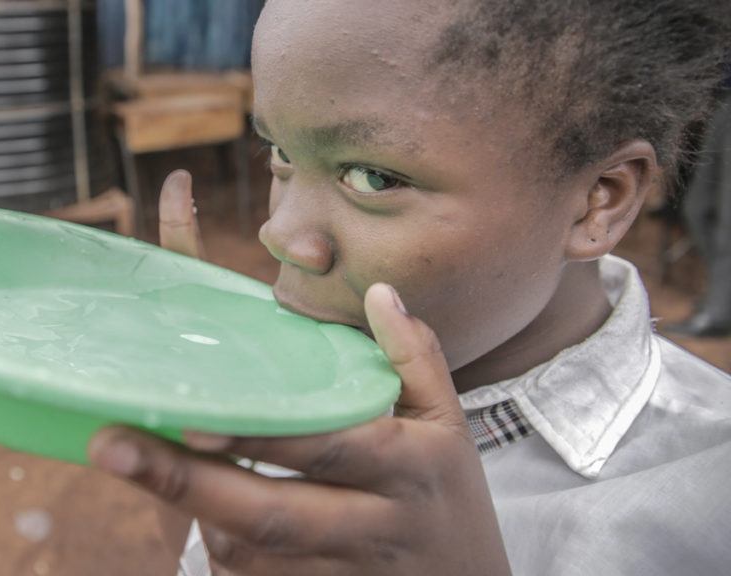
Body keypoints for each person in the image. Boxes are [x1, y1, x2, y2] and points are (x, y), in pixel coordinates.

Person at [83, 1, 731, 575]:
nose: (278, 234)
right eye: (279, 153)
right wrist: (197, 469)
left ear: (598, 202)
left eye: (372, 177)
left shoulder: (704, 505)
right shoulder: (277, 391)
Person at [667, 84, 731, 337]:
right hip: (724, 102)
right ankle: (723, 297)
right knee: (696, 207)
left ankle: (716, 313)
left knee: (727, 226)